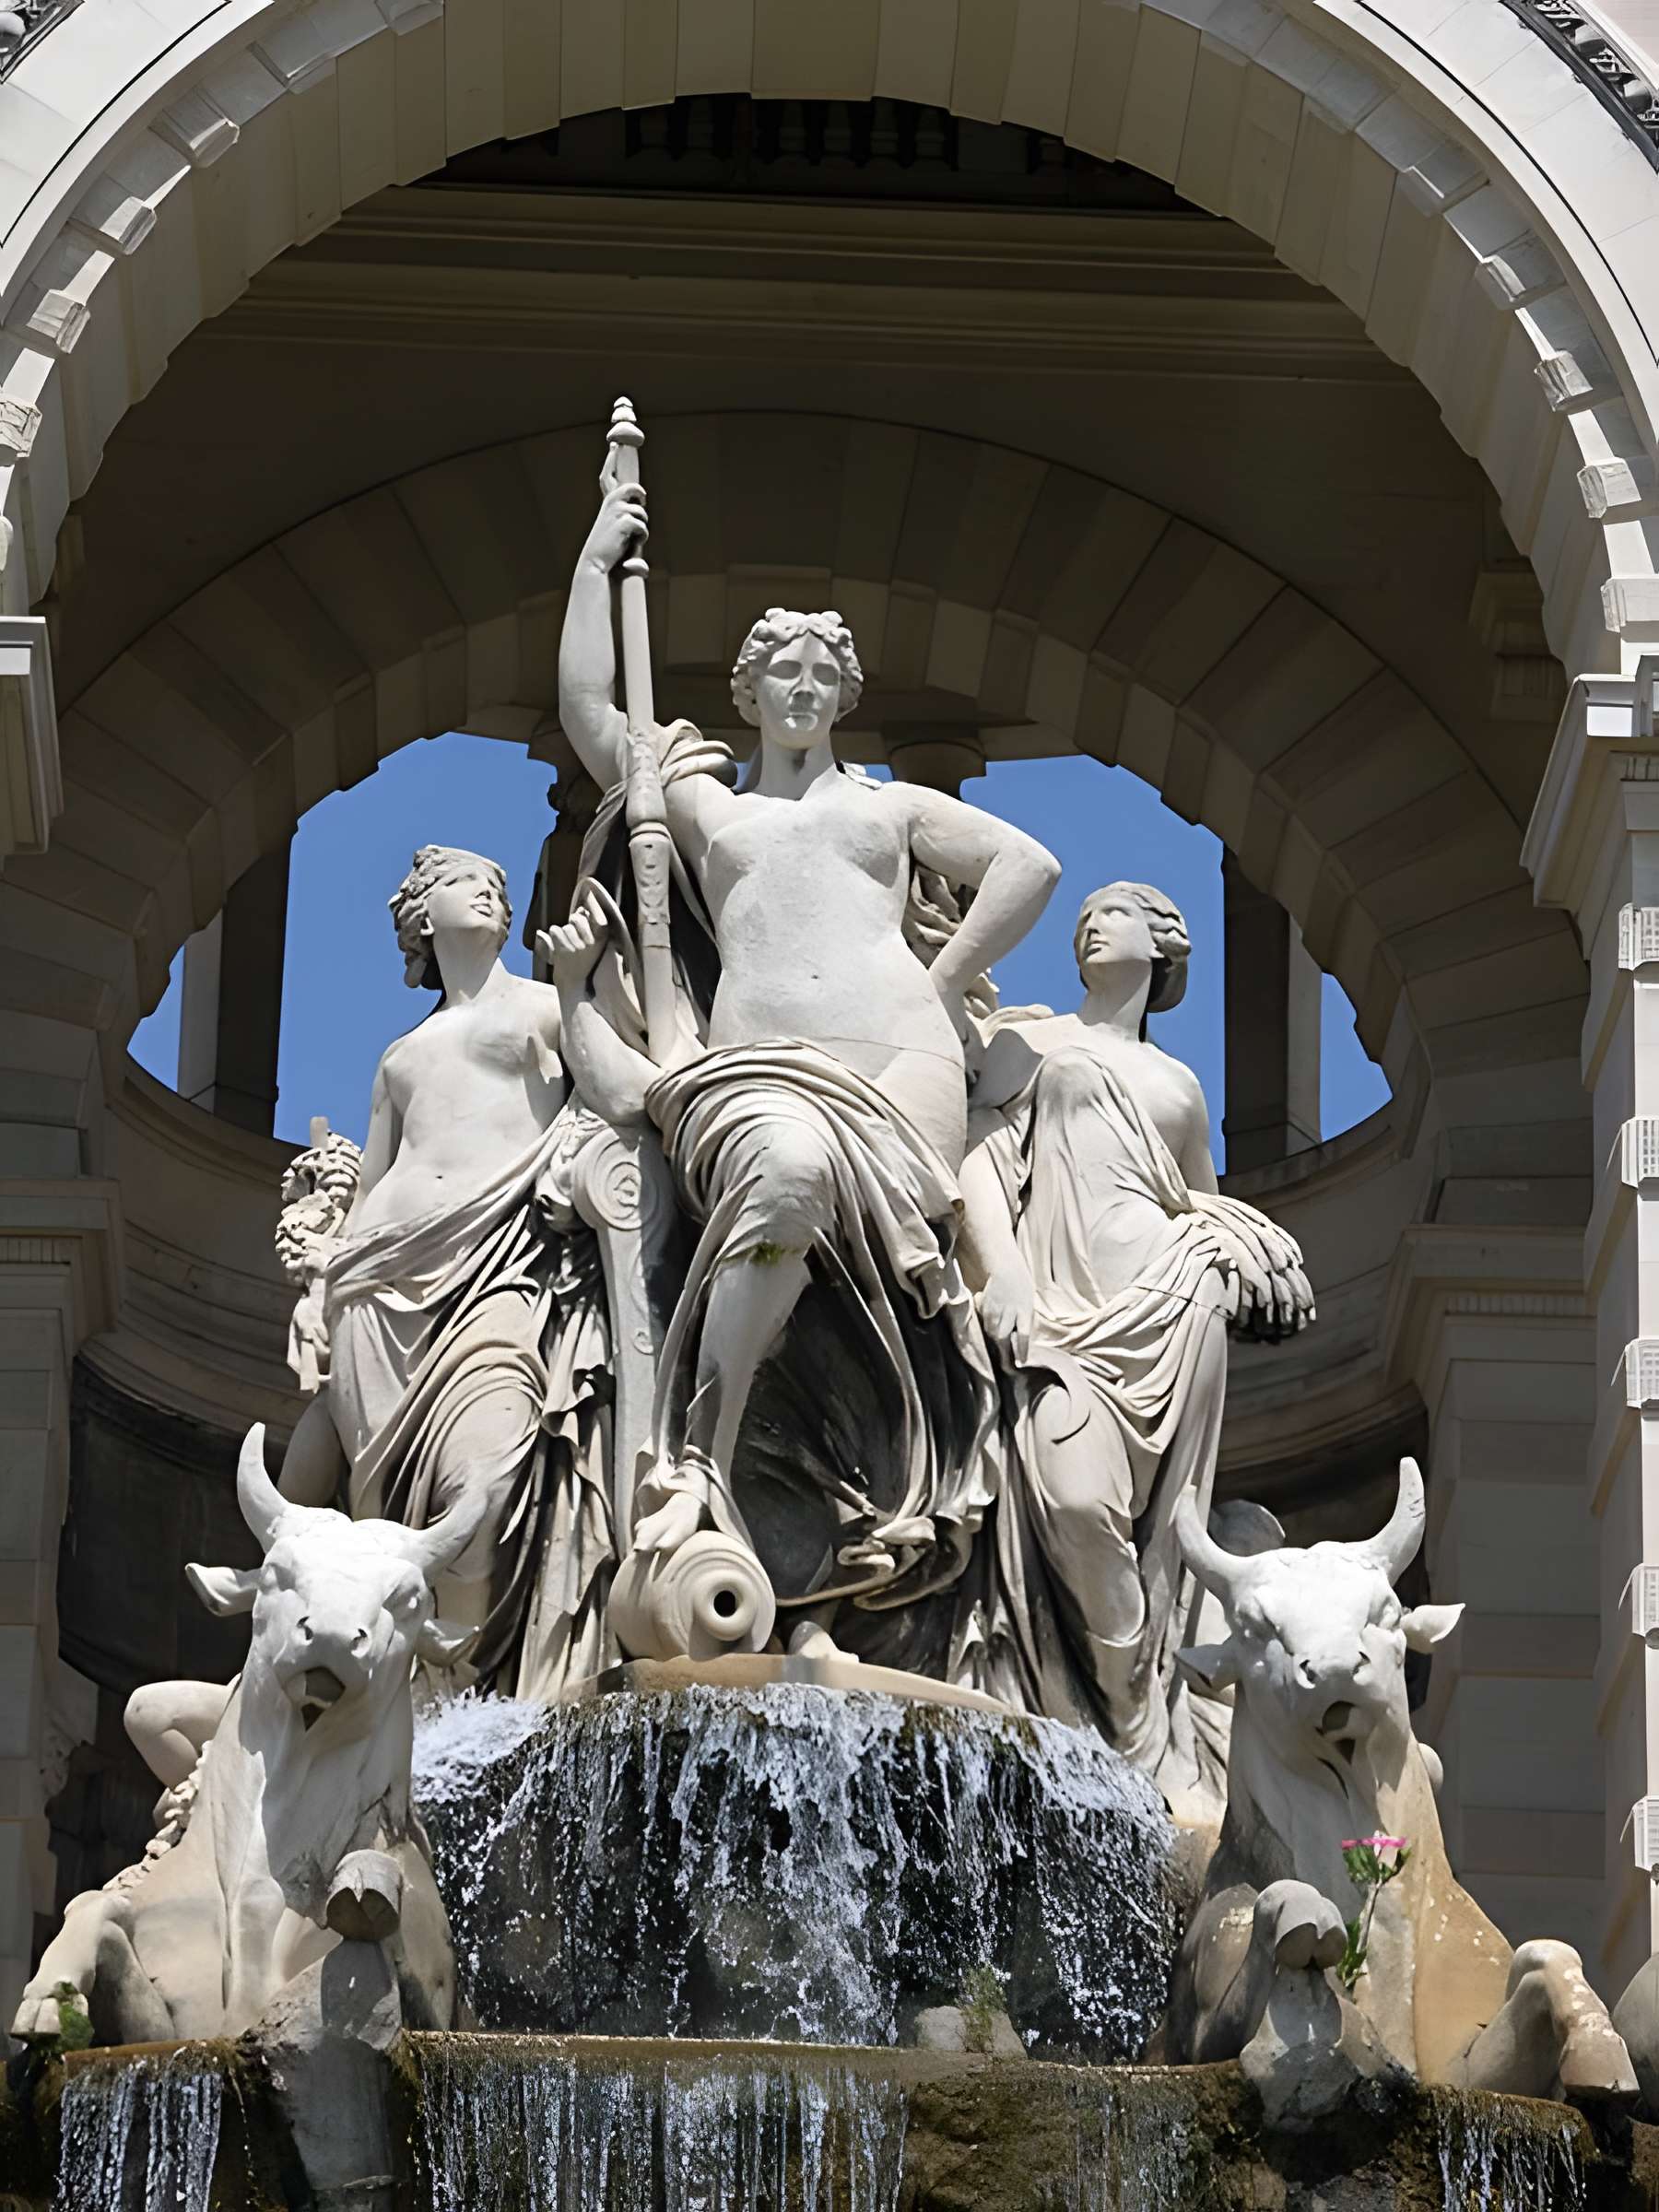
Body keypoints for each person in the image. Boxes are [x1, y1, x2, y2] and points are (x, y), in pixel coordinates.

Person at [556, 475, 1060, 1641]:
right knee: (785, 1176)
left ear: (843, 694)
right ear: (747, 692)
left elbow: (1026, 867)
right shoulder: (709, 814)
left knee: (861, 1246)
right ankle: (702, 1465)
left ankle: (839, 1500)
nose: (800, 685)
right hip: (755, 1070)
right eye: (779, 670)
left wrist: (932, 985)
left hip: (899, 1071)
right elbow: (594, 711)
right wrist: (597, 561)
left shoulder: (889, 811)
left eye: (820, 673)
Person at [959, 881, 1313, 1808]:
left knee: (1156, 1532)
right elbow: (977, 1162)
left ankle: (1140, 1726)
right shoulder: (1030, 1044)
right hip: (1058, 1316)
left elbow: (1200, 1199)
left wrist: (1249, 1238)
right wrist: (1004, 1274)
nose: (1089, 923)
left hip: (1169, 1305)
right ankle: (1125, 1722)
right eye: (1082, 919)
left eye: (1112, 911)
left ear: (1161, 945)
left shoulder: (1179, 1086)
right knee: (1075, 1502)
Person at [274, 844, 614, 1699]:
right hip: (379, 1291)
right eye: (471, 883)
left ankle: (461, 1686)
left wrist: (580, 989)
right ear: (424, 917)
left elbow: (610, 1095)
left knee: (487, 1472)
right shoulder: (402, 1056)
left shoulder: (544, 1006)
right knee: (378, 1507)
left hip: (500, 1261)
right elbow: (378, 1181)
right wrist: (320, 1292)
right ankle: (397, 1695)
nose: (492, 892)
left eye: (499, 886)